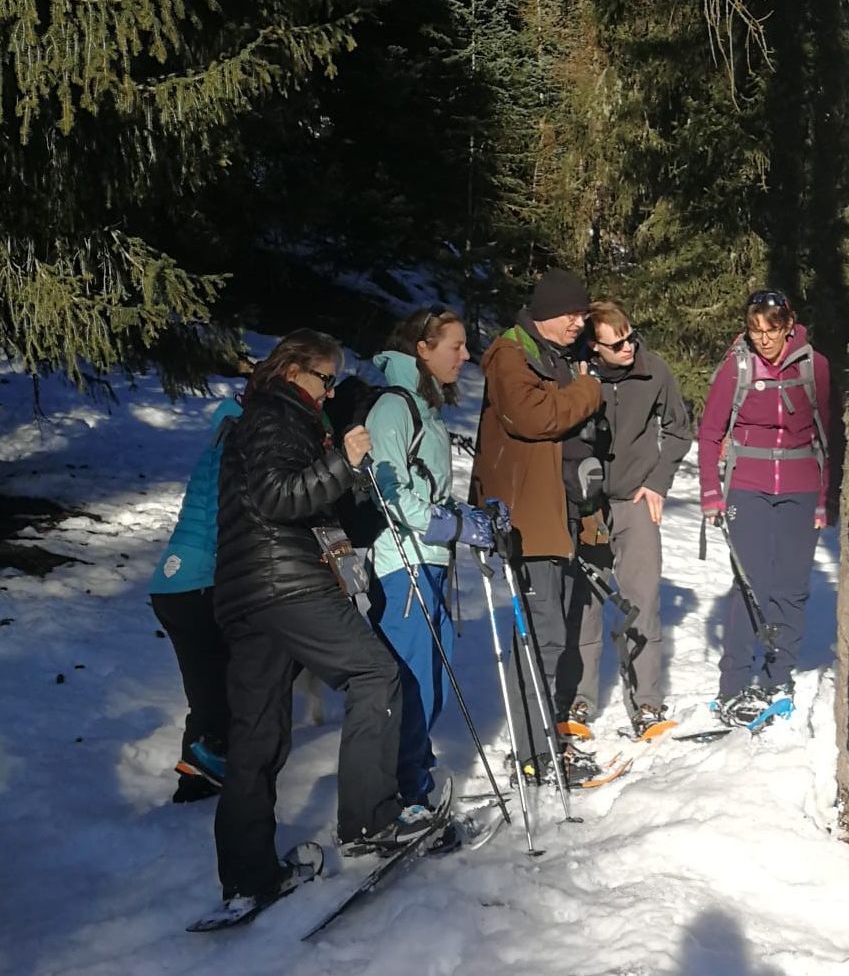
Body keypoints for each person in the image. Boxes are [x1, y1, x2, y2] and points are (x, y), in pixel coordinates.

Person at [211, 329, 427, 914]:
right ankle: (370, 821)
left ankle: (248, 875)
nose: (330, 393)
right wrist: (342, 461)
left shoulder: (263, 418)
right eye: (325, 379)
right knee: (374, 673)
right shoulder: (278, 415)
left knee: (256, 734)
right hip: (286, 580)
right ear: (292, 371)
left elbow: (301, 504)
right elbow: (281, 499)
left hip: (247, 591)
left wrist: (357, 489)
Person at [469, 268, 602, 783]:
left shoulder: (550, 355)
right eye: (573, 314)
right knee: (541, 636)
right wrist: (588, 391)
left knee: (551, 634)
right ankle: (534, 750)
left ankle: (543, 741)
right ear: (548, 313)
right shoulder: (511, 354)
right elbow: (535, 418)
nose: (579, 323)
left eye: (583, 314)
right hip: (527, 518)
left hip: (554, 514)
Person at [364, 307, 494, 812]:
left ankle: (413, 770)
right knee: (413, 682)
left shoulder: (425, 406)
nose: (465, 356)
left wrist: (470, 517)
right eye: (455, 346)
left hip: (429, 559)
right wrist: (449, 524)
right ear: (422, 346)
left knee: (433, 680)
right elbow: (387, 490)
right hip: (402, 563)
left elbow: (427, 491)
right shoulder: (394, 406)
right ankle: (401, 790)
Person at [697, 289, 838, 724]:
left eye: (771, 330)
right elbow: (709, 432)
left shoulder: (815, 366)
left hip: (801, 484)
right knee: (750, 582)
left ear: (788, 325)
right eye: (756, 330)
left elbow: (829, 437)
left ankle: (779, 675)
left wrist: (824, 499)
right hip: (748, 484)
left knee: (792, 587)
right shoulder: (737, 367)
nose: (764, 339)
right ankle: (733, 685)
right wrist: (710, 492)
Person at [569, 299, 692, 736]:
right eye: (616, 343)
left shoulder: (653, 369)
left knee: (643, 600)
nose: (627, 347)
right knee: (585, 602)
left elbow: (680, 429)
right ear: (594, 347)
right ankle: (579, 699)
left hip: (637, 500)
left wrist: (658, 481)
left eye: (630, 336)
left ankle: (646, 702)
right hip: (589, 503)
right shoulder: (580, 376)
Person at [148, 393, 241, 800]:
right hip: (200, 584)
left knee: (203, 692)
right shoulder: (233, 459)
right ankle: (217, 764)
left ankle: (193, 781)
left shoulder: (210, 454)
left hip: (170, 587)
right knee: (229, 682)